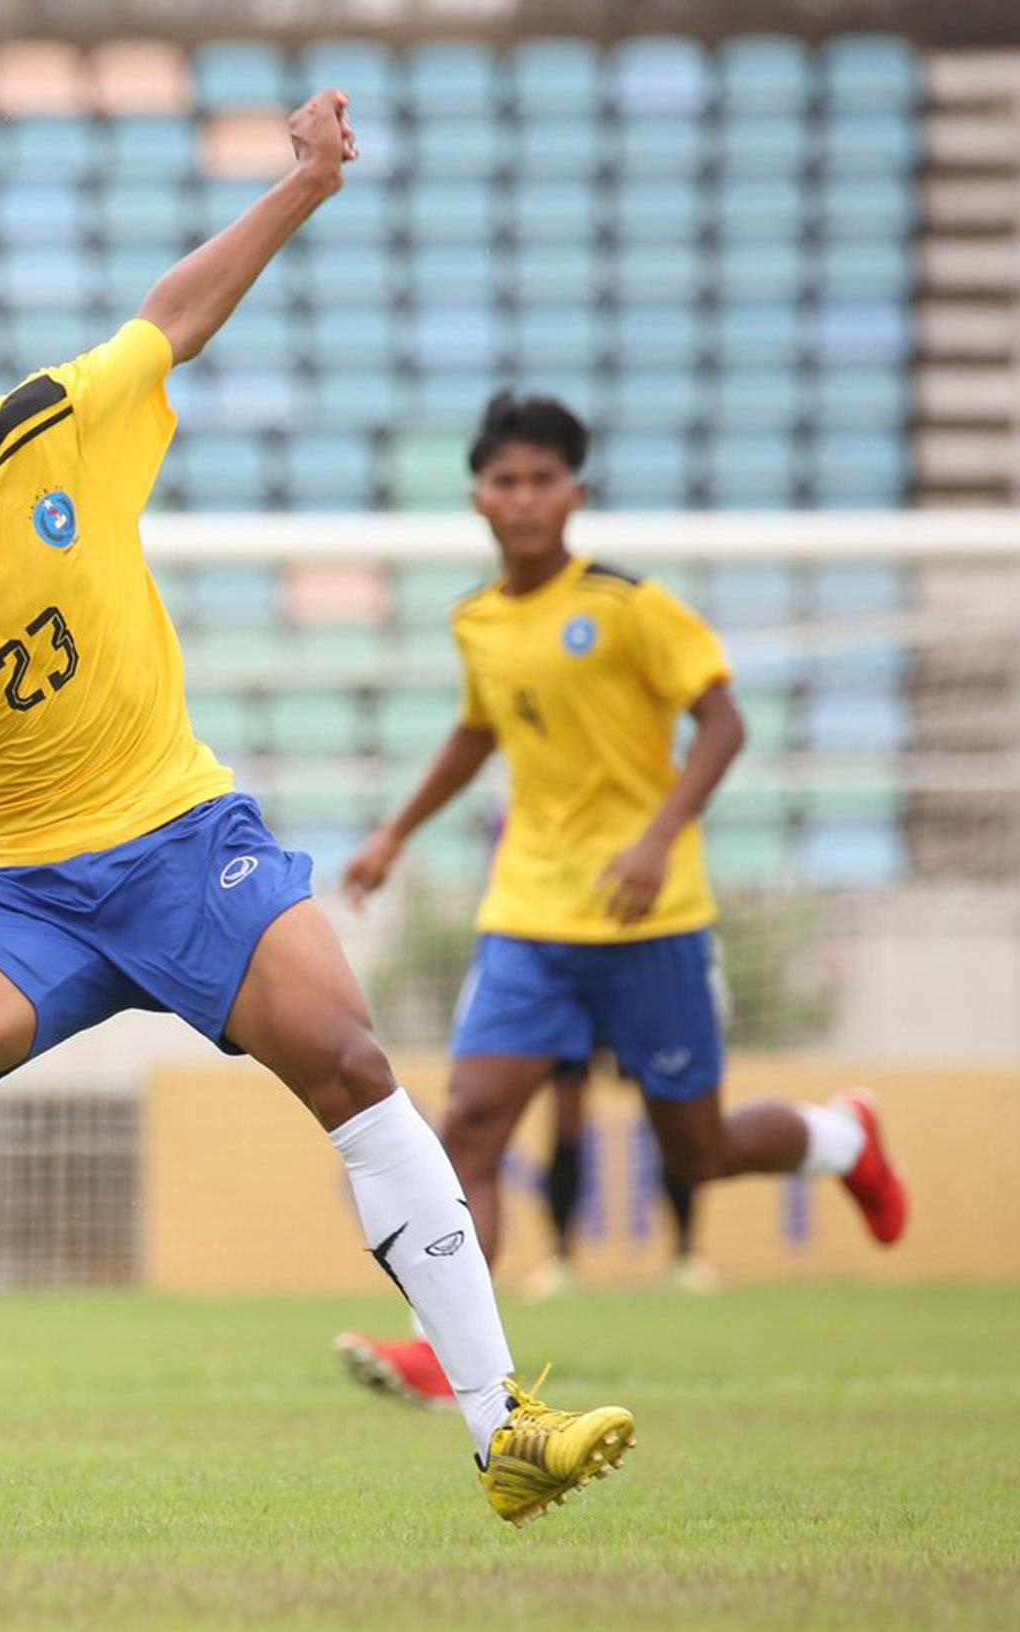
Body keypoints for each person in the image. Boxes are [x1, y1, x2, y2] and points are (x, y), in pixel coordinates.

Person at [0, 92, 633, 1529]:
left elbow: (174, 316)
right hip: (20, 891)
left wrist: (305, 184)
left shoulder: (52, 431)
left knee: (351, 1064)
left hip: (181, 838)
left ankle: (505, 1428)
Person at [331, 392, 907, 1407]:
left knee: (699, 1151)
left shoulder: (632, 606)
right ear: (478, 499)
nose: (523, 498)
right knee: (470, 1125)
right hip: (527, 918)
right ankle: (442, 1354)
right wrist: (395, 833)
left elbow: (723, 724)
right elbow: (479, 731)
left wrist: (655, 839)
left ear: (575, 493)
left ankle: (844, 1140)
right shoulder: (477, 619)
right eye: (505, 481)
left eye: (541, 480)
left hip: (651, 920)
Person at [519, 1057, 712, 1303]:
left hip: (643, 1031)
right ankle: (560, 1259)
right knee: (566, 1121)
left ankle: (686, 1257)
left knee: (668, 1118)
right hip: (576, 1032)